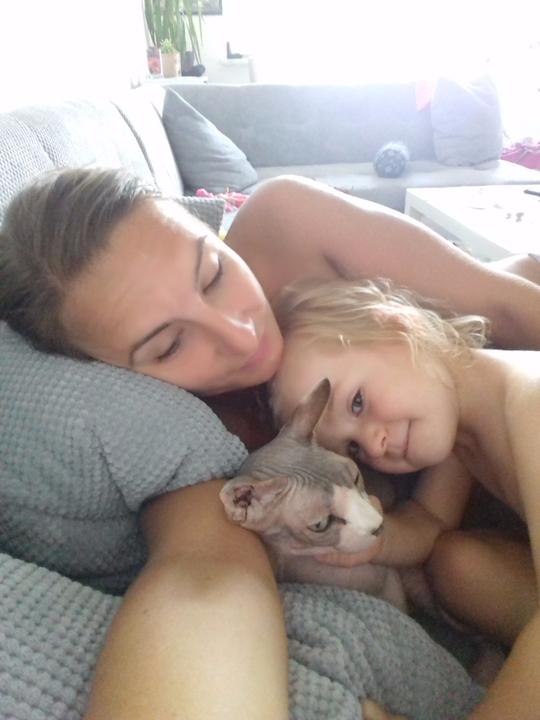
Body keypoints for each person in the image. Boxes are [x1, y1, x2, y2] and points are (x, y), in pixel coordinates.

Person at [1, 166, 539, 720]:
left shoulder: (287, 226)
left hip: (493, 349)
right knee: (459, 565)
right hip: (484, 510)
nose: (240, 334)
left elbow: (509, 308)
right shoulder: (196, 439)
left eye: (213, 273)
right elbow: (203, 580)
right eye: (170, 347)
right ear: (115, 377)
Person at [270, 276, 540, 719]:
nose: (374, 444)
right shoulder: (462, 429)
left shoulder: (530, 401)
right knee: (455, 563)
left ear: (396, 325)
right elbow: (430, 520)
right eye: (354, 447)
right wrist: (377, 539)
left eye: (357, 403)